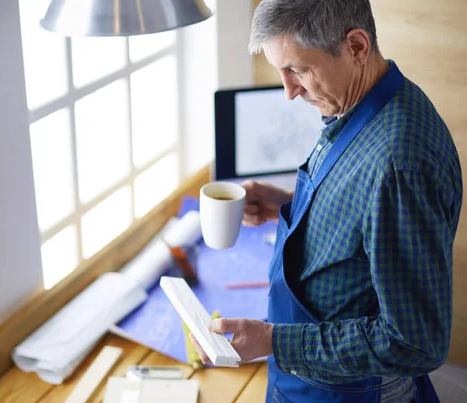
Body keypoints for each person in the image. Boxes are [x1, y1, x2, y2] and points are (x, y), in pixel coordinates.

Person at [189, 0, 463, 402]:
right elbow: (365, 216)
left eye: (298, 70)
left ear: (356, 47)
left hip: (351, 389)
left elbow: (415, 342)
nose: (289, 91)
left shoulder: (399, 165)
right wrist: (286, 204)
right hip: (312, 372)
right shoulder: (363, 103)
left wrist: (273, 341)